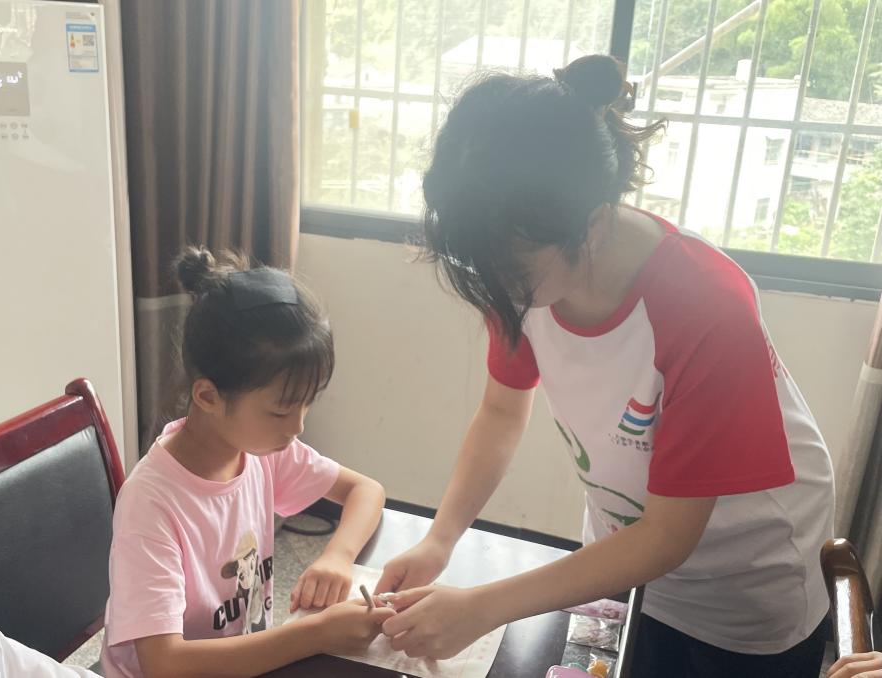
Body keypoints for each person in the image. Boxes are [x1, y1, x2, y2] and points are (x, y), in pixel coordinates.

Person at [375, 55, 834, 678]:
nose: (492, 287)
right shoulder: (522, 272)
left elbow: (668, 537)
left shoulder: (707, 308)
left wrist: (483, 607)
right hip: (622, 563)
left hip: (745, 582)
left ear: (591, 227)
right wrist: (440, 539)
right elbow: (502, 410)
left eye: (507, 269)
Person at [101, 247, 395, 678]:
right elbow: (164, 665)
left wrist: (337, 556)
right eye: (280, 411)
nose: (297, 427)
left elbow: (366, 491)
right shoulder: (151, 504)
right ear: (208, 396)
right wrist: (314, 634)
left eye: (307, 405)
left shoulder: (259, 452)